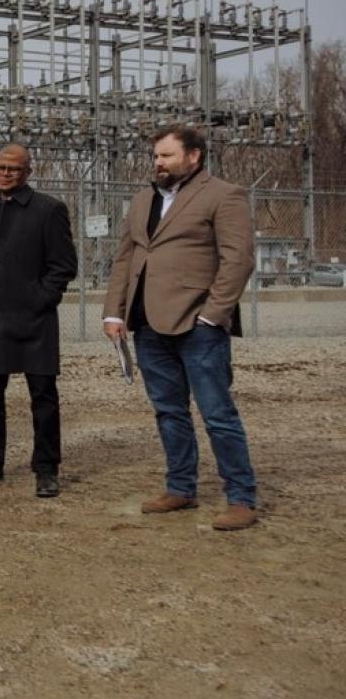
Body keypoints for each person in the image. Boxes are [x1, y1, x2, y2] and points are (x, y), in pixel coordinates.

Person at [103, 124, 258, 531]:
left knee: (217, 414)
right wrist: (114, 312)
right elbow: (126, 259)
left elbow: (238, 260)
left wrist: (212, 314)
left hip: (198, 325)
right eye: (156, 156)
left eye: (167, 156)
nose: (159, 163)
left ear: (194, 156)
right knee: (169, 411)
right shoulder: (142, 201)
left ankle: (241, 498)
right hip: (148, 324)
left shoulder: (225, 195)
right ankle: (181, 487)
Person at [0, 143, 77, 498]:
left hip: (34, 321)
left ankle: (46, 467)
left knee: (43, 395)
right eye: (0, 167)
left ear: (28, 172)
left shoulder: (48, 210)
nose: (5, 174)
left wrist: (41, 299)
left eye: (14, 169)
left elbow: (63, 266)